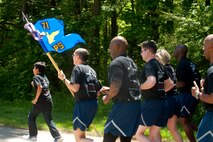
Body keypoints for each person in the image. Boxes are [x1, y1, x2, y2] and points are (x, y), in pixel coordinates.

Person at [100, 36, 141, 142]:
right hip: (135, 105)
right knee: (126, 137)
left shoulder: (116, 63)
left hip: (123, 105)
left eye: (110, 47)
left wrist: (107, 98)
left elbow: (116, 84)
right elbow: (131, 84)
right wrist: (110, 89)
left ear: (117, 47)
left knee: (109, 134)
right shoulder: (131, 62)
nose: (109, 50)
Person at [58, 48, 101, 142]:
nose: (72, 57)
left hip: (83, 105)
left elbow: (75, 88)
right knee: (81, 136)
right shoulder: (92, 70)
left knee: (79, 138)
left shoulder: (78, 68)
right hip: (93, 104)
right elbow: (98, 92)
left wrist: (64, 79)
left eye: (73, 55)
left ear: (77, 57)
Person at [135, 40, 174, 142]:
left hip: (151, 104)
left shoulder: (149, 65)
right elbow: (170, 84)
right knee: (154, 135)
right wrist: (159, 91)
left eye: (142, 51)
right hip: (163, 103)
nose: (141, 54)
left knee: (138, 134)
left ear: (148, 51)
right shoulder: (160, 65)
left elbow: (151, 81)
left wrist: (139, 87)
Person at [24, 61, 63, 142]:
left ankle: (33, 136)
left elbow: (40, 87)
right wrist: (34, 84)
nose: (33, 69)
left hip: (40, 102)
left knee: (31, 117)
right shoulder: (44, 77)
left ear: (37, 69)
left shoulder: (36, 77)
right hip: (48, 100)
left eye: (34, 68)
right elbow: (44, 86)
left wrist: (35, 99)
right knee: (49, 119)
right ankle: (58, 137)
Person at [173, 44, 201, 142]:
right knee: (186, 120)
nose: (174, 50)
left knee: (183, 120)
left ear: (180, 51)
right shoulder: (189, 62)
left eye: (176, 49)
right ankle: (204, 131)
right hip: (193, 94)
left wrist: (170, 86)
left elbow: (181, 83)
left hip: (188, 95)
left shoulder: (182, 64)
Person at [156, 49, 183, 142]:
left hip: (170, 99)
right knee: (173, 129)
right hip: (175, 99)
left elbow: (171, 84)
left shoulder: (165, 68)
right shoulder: (170, 67)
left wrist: (159, 92)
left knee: (154, 127)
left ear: (161, 58)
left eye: (157, 58)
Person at [191, 34, 213, 142]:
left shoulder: (212, 71)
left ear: (211, 47)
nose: (202, 48)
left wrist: (197, 94)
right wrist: (205, 89)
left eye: (204, 45)